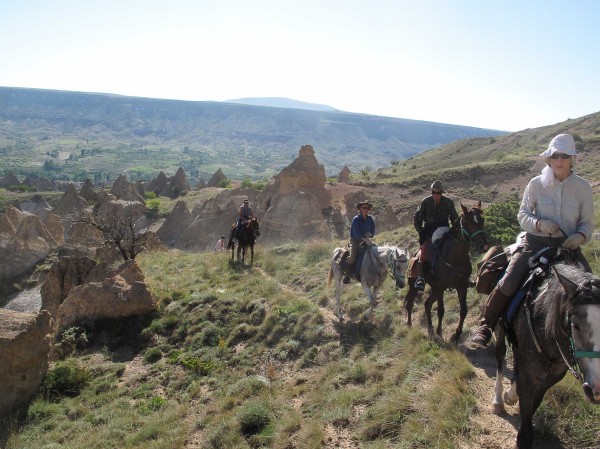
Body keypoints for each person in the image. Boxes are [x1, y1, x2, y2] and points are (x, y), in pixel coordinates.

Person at [471, 133, 594, 347]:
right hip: (535, 243)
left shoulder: (582, 188)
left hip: (567, 247)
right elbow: (523, 215)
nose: (559, 160)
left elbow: (587, 223)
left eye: (564, 155)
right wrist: (539, 224)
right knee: (509, 281)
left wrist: (580, 236)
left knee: (593, 290)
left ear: (572, 158)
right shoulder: (536, 184)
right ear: (549, 158)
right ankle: (486, 324)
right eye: (555, 155)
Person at [413, 180, 459, 290]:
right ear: (431, 192)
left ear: (442, 193)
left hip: (444, 229)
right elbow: (417, 219)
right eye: (434, 192)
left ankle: (463, 275)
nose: (436, 195)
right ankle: (422, 277)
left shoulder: (448, 203)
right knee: (425, 249)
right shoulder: (425, 202)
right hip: (429, 230)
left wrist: (455, 230)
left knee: (457, 248)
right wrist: (421, 232)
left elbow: (454, 219)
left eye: (439, 193)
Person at [344, 200, 376, 281]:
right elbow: (356, 232)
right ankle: (347, 275)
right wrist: (364, 238)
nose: (366, 209)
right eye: (364, 208)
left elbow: (373, 229)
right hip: (356, 240)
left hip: (367, 239)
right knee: (352, 257)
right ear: (360, 209)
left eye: (367, 208)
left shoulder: (370, 219)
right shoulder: (356, 219)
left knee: (376, 252)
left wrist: (370, 235)